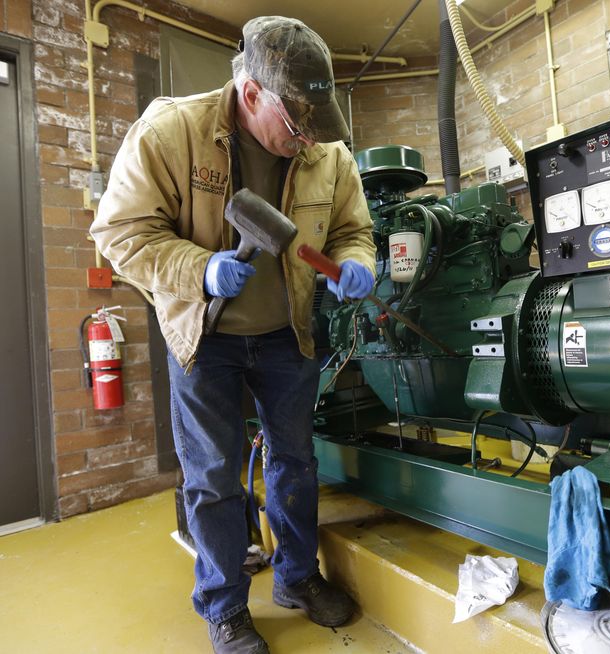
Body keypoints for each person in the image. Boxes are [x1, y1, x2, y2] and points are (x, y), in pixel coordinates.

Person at [90, 16, 376, 654]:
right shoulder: (172, 133)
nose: (306, 145)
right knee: (215, 476)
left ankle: (298, 579)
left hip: (288, 336)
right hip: (205, 338)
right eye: (295, 128)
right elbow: (119, 234)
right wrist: (198, 269)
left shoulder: (325, 151)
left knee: (295, 463)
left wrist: (359, 260)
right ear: (252, 95)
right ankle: (224, 607)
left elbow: (353, 227)